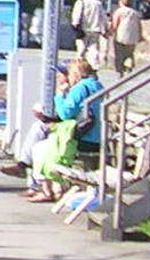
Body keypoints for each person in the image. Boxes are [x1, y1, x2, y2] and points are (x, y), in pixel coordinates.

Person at [23, 57, 104, 200]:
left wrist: (60, 94)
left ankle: (45, 189)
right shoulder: (97, 85)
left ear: (74, 73)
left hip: (82, 138)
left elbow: (65, 113)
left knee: (40, 148)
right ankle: (45, 186)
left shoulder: (80, 88)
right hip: (96, 136)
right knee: (42, 139)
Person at [70, 0, 105, 66]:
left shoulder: (80, 2)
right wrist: (104, 29)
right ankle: (93, 67)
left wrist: (75, 25)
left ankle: (80, 67)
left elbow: (76, 16)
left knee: (81, 51)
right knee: (93, 50)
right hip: (95, 30)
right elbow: (103, 17)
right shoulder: (98, 3)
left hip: (83, 30)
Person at [107, 0, 144, 73]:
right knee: (129, 54)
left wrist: (110, 32)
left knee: (119, 54)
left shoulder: (119, 11)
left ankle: (120, 71)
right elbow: (139, 25)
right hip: (132, 37)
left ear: (121, 2)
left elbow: (115, 24)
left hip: (121, 36)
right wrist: (140, 36)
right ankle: (129, 67)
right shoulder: (135, 13)